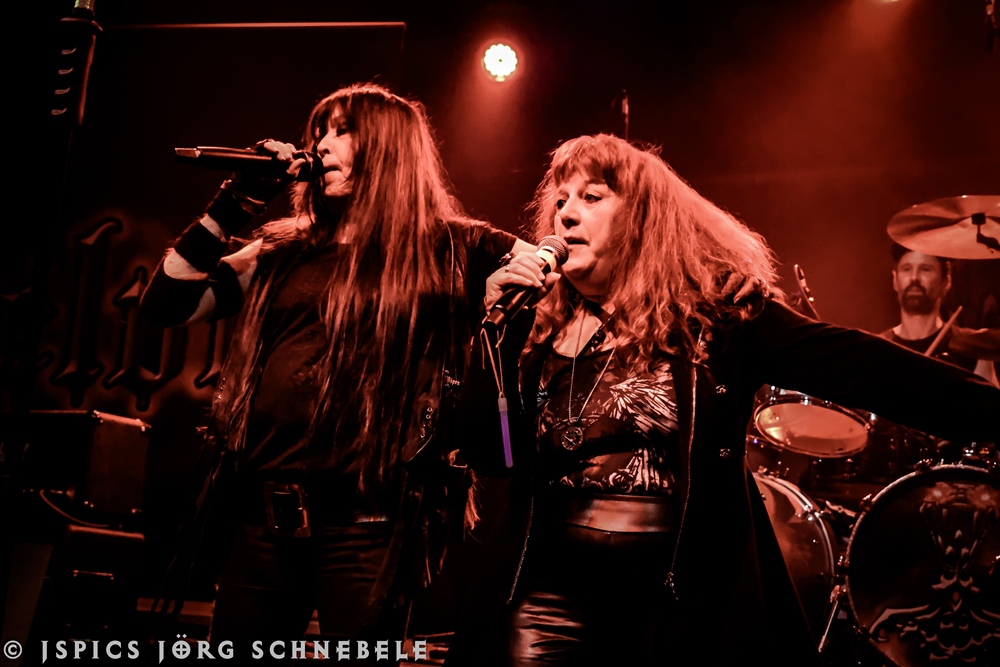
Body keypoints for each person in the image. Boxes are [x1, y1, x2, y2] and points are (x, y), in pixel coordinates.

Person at [442, 134, 1000, 666]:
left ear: (642, 218)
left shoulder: (715, 319)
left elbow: (863, 366)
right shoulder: (534, 329)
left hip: (678, 602)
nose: (566, 214)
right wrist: (497, 336)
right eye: (561, 200)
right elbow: (494, 456)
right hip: (550, 598)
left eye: (591, 197)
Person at [139, 83, 534, 661]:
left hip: (369, 526)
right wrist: (234, 203)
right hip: (264, 519)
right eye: (319, 131)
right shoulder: (281, 250)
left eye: (342, 130)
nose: (322, 144)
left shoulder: (456, 247)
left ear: (388, 147)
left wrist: (509, 287)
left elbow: (550, 272)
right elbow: (166, 305)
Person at [881, 242, 999, 386]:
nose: (914, 277)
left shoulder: (971, 349)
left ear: (947, 281)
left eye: (925, 269)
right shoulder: (877, 349)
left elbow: (988, 400)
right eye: (906, 269)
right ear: (895, 279)